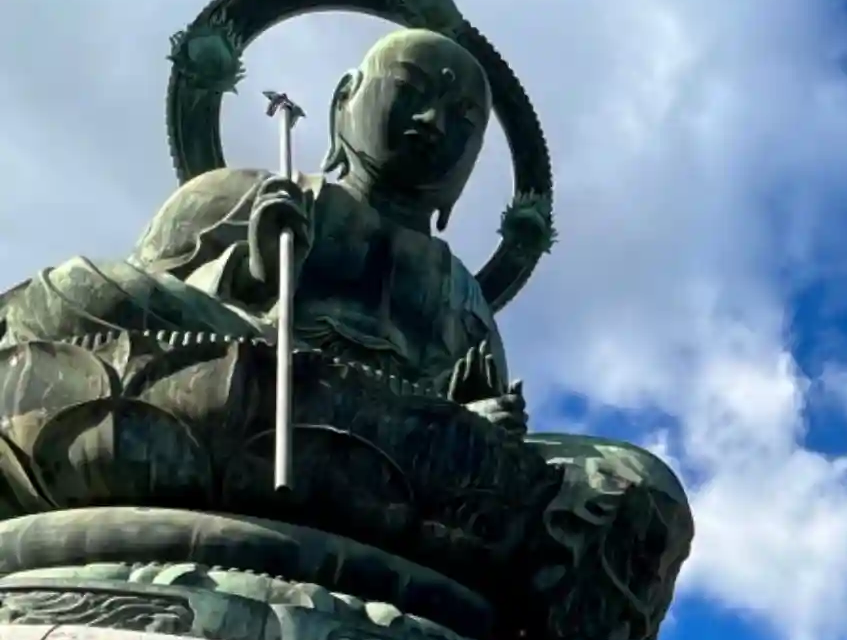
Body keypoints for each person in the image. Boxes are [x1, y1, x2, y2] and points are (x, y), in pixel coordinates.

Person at [0, 27, 525, 432]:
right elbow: (147, 291)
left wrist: (476, 412)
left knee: (574, 467)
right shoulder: (243, 193)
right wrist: (254, 274)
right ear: (345, 98)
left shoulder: (464, 297)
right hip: (249, 365)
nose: (433, 121)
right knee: (73, 290)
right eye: (410, 89)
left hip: (392, 423)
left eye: (463, 118)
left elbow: (487, 409)